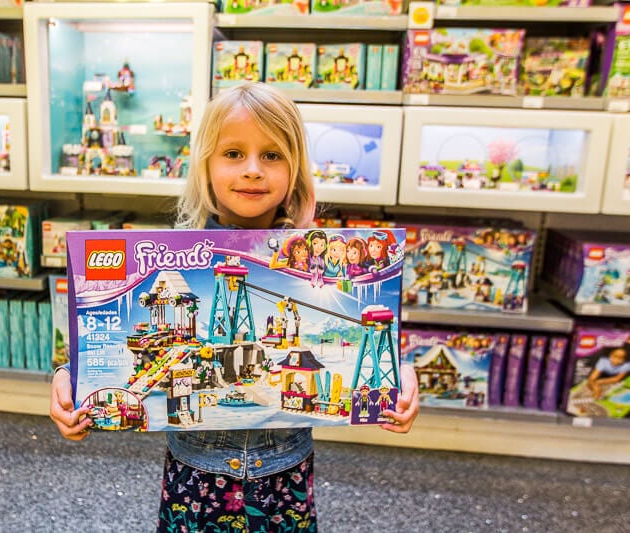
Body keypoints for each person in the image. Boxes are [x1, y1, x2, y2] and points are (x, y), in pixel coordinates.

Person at [49, 82, 420, 532]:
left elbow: (384, 326)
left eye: (272, 155)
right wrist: (68, 380)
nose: (251, 170)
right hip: (196, 472)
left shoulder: (319, 261)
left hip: (284, 471)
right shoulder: (173, 254)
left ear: (295, 169)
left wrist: (402, 374)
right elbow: (96, 348)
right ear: (204, 166)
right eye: (232, 154)